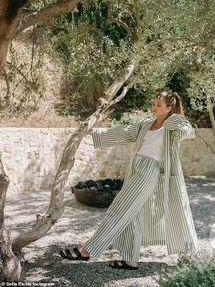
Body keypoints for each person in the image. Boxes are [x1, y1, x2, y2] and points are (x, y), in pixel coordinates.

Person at [59, 88, 198, 270]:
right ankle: (130, 259)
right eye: (153, 104)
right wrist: (93, 134)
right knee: (133, 214)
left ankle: (88, 250)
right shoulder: (146, 124)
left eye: (159, 105)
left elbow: (189, 132)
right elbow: (123, 133)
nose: (154, 108)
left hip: (149, 172)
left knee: (117, 210)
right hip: (136, 169)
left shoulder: (172, 128)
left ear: (169, 108)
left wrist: (173, 119)